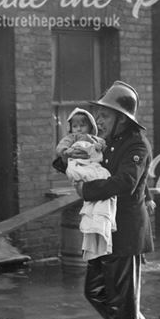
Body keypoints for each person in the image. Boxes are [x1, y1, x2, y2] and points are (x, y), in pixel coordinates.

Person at [53, 81, 159, 319]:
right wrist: (64, 160)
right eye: (98, 115)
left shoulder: (137, 145)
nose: (98, 121)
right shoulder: (110, 142)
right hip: (104, 229)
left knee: (122, 300)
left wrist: (86, 191)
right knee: (95, 291)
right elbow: (92, 165)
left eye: (105, 116)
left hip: (125, 233)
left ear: (122, 119)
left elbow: (125, 183)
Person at [56, 108, 114, 261]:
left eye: (82, 125)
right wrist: (67, 153)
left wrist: (100, 146)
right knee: (82, 174)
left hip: (92, 165)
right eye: (75, 126)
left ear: (91, 126)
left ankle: (100, 225)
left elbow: (102, 146)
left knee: (103, 174)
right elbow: (61, 148)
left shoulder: (95, 138)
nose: (79, 129)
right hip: (77, 164)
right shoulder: (72, 138)